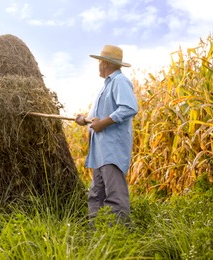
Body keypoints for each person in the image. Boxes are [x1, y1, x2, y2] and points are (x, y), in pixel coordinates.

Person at [75, 45, 138, 225]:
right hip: (100, 153)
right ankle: (96, 237)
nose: (98, 66)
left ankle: (119, 237)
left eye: (99, 62)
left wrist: (102, 123)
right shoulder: (105, 87)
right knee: (95, 195)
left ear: (105, 63)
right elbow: (96, 118)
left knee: (115, 196)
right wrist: (84, 120)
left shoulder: (119, 81)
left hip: (112, 150)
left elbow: (129, 108)